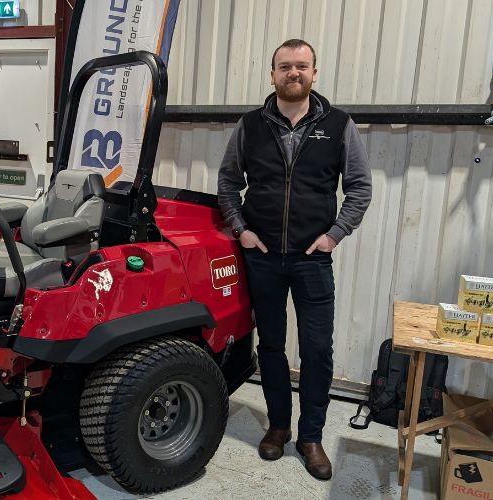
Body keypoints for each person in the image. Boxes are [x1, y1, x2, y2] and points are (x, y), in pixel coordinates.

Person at [217, 39, 371, 481]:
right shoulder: (250, 125)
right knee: (270, 347)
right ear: (272, 75)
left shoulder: (339, 126)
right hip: (262, 258)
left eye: (301, 66)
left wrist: (334, 235)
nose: (293, 74)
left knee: (318, 350)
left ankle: (311, 436)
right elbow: (229, 182)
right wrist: (241, 230)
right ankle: (279, 426)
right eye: (285, 67)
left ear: (314, 73)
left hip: (311, 260)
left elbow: (360, 187)